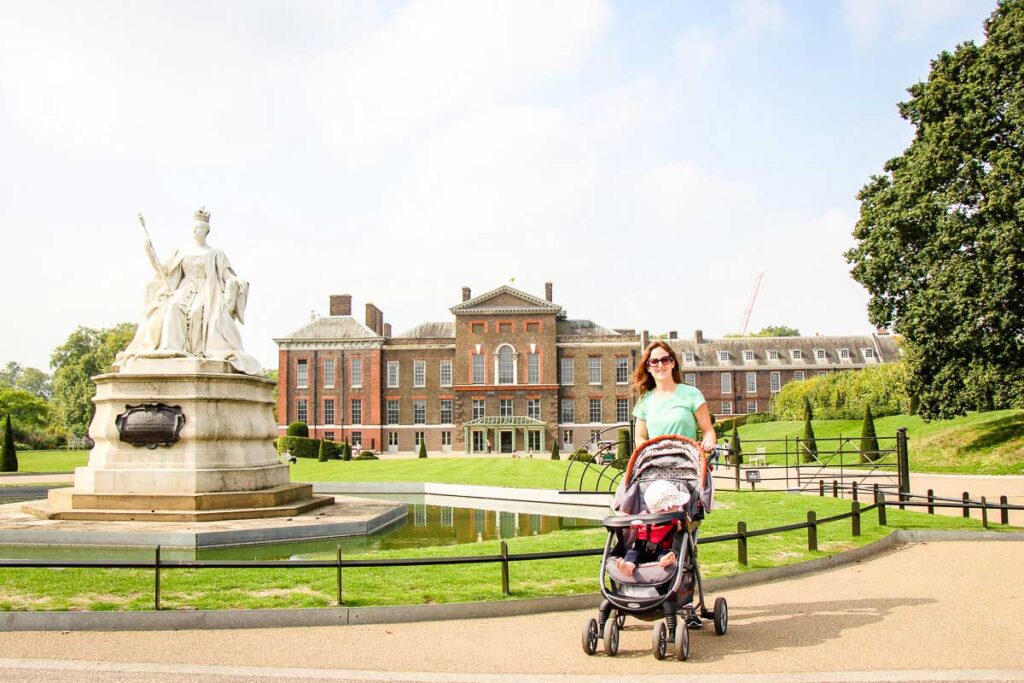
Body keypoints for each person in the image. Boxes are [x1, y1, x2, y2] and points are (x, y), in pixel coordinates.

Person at [115, 208, 261, 375]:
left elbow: (227, 275)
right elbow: (163, 270)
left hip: (206, 290)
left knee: (198, 311)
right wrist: (150, 252)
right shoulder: (181, 251)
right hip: (184, 288)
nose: (195, 230)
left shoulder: (216, 254)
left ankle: (197, 350)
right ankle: (171, 347)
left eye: (199, 227)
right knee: (172, 307)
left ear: (206, 231)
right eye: (194, 227)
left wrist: (235, 282)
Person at [632, 341, 716, 453]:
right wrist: (653, 453)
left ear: (673, 363)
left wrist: (708, 441)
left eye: (665, 360)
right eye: (654, 361)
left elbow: (708, 430)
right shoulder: (644, 401)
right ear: (648, 367)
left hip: (688, 462)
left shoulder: (692, 394)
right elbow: (639, 438)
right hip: (656, 463)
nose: (660, 365)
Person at [615, 480, 688, 578]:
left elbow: (680, 530)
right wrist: (626, 518)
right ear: (667, 508)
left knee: (666, 554)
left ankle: (664, 561)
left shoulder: (675, 521)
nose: (678, 507)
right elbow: (632, 525)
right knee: (632, 553)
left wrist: (684, 522)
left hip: (662, 550)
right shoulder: (643, 517)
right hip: (641, 548)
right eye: (676, 505)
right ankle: (628, 567)